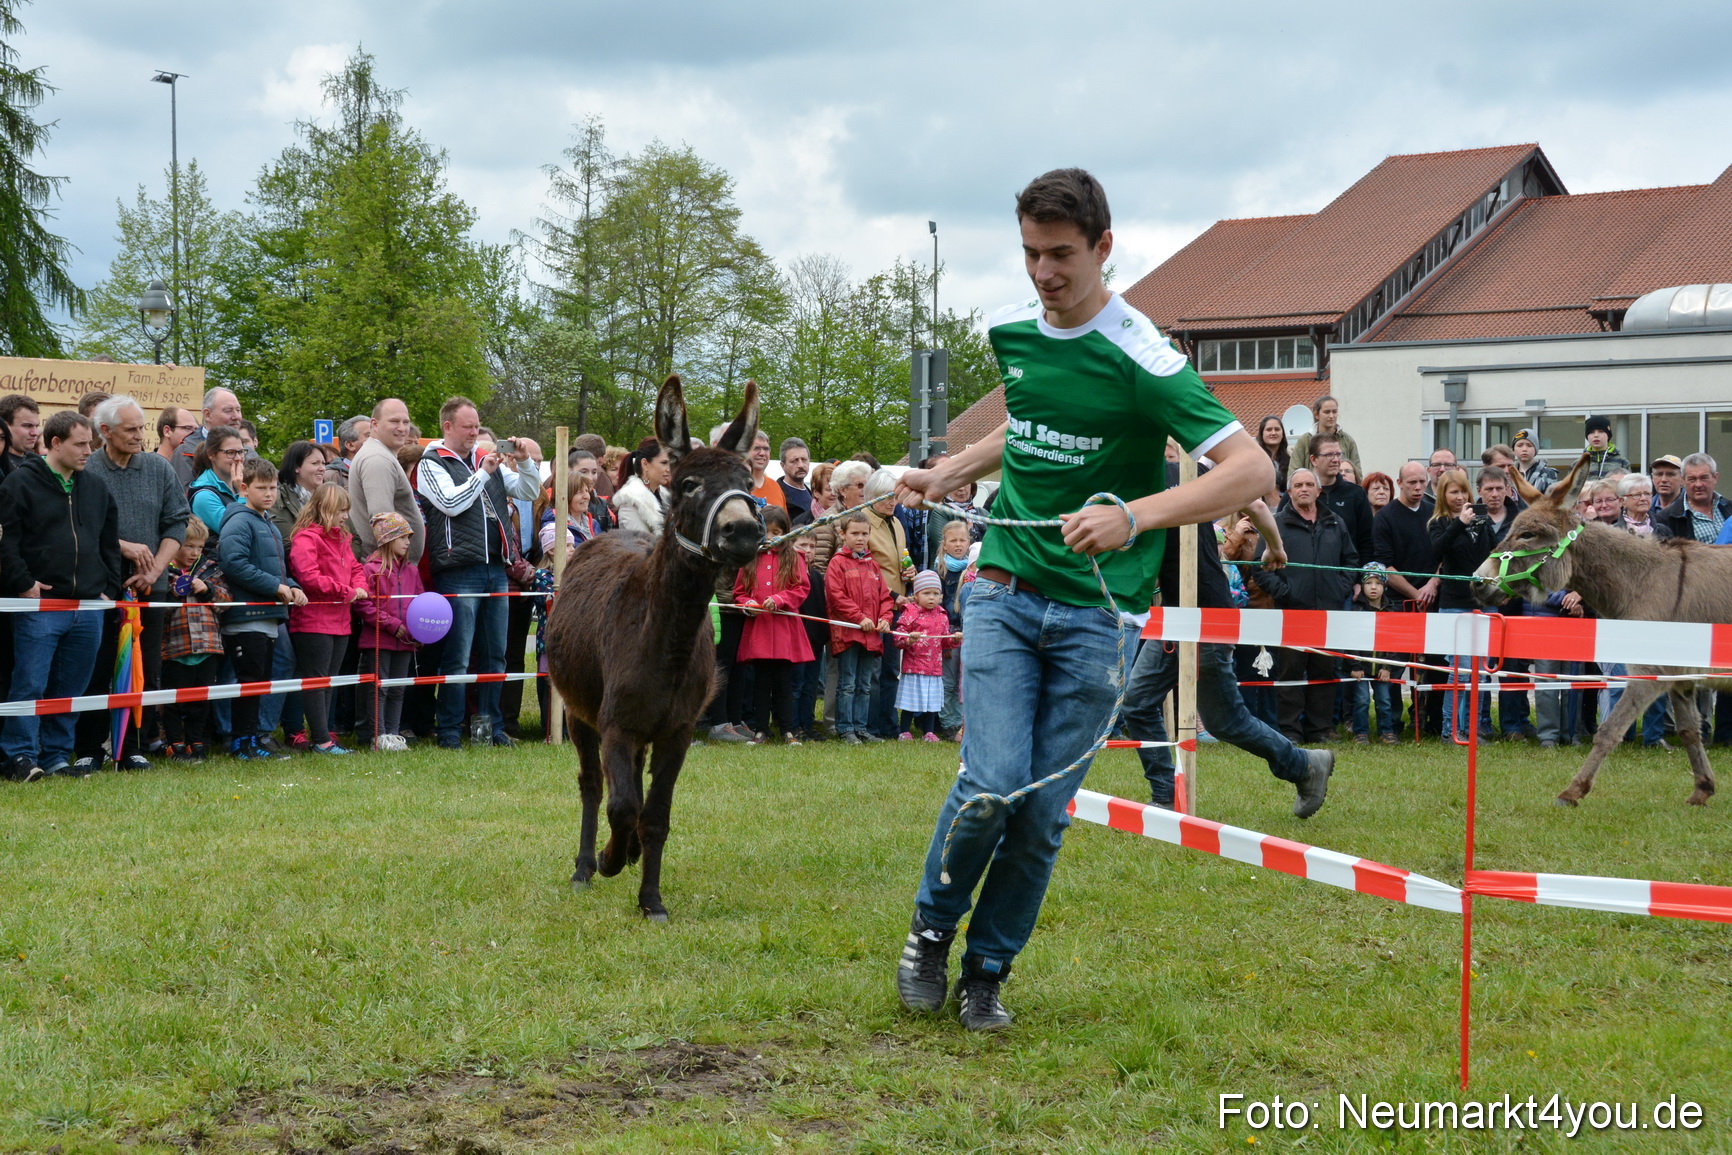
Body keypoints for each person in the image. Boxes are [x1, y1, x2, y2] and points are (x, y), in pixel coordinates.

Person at [892, 167, 1267, 1031]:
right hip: (1002, 591)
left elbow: (1252, 470)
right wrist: (953, 467)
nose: (1043, 273)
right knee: (990, 782)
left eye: (1061, 255)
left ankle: (988, 971)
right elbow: (1028, 420)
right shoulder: (1018, 335)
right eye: (1030, 253)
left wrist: (1135, 516)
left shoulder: (1143, 356)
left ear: (1103, 247)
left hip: (1099, 617)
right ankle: (931, 931)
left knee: (1044, 808)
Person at [0, 412, 123, 781]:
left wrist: (109, 589)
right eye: (81, 444)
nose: (90, 450)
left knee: (71, 688)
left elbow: (109, 543)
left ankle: (55, 756)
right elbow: (7, 541)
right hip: (39, 606)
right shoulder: (19, 485)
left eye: (90, 443)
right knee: (30, 683)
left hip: (88, 607)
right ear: (55, 443)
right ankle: (19, 756)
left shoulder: (96, 488)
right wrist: (24, 584)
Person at [74, 396, 190, 773]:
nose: (140, 435)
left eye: (142, 427)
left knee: (143, 670)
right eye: (131, 429)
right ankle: (90, 749)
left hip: (149, 588)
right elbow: (77, 524)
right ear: (104, 431)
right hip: (100, 587)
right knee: (97, 668)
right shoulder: (87, 468)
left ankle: (132, 748)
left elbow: (177, 522)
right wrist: (121, 545)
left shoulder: (158, 468)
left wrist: (156, 569)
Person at [417, 396, 539, 749]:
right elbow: (451, 503)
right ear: (448, 427)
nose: (474, 432)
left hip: (496, 567)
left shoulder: (488, 462)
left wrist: (525, 460)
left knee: (495, 655)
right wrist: (483, 473)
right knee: (457, 656)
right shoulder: (431, 463)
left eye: (477, 425)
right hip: (459, 569)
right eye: (468, 427)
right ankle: (451, 731)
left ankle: (490, 729)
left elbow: (530, 491)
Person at [1249, 468, 1357, 744]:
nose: (1304, 489)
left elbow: (1351, 562)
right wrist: (1286, 593)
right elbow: (1259, 570)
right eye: (1298, 485)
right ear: (1290, 491)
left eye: (1310, 484)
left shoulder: (1335, 522)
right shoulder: (1276, 525)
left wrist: (1339, 590)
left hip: (1328, 612)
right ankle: (1290, 731)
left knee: (1325, 671)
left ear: (1319, 491)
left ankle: (1319, 730)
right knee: (1290, 673)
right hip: (1291, 612)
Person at [287, 483, 369, 755]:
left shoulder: (342, 537)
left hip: (340, 620)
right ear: (324, 509)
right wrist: (347, 591)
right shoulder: (305, 538)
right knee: (317, 681)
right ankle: (321, 740)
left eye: (346, 510)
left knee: (330, 681)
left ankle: (323, 734)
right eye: (339, 511)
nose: (344, 516)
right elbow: (308, 576)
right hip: (313, 620)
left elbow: (356, 567)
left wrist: (360, 587)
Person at [734, 505, 814, 745]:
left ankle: (788, 729)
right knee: (760, 681)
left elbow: (802, 588)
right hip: (759, 628)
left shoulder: (794, 556)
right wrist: (748, 602)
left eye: (778, 531)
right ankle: (761, 729)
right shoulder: (750, 557)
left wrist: (780, 600)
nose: (772, 537)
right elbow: (739, 592)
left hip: (783, 628)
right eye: (767, 532)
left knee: (784, 681)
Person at [1428, 468, 1497, 741]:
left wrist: (1484, 525)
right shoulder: (1439, 523)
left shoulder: (1482, 521)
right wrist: (1460, 523)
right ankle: (1450, 729)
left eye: (1463, 491)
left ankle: (1472, 728)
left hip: (1483, 603)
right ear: (1443, 495)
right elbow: (1436, 550)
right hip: (1455, 605)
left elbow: (1495, 552)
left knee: (1479, 673)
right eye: (1453, 492)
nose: (1459, 497)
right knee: (1459, 671)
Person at [160, 518, 228, 762]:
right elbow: (157, 610)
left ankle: (196, 742)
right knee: (174, 699)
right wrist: (173, 591)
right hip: (175, 647)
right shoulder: (163, 571)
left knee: (200, 699)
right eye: (189, 546)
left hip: (208, 646)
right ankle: (174, 743)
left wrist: (207, 590)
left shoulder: (210, 569)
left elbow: (226, 602)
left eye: (199, 547)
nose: (194, 552)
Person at [354, 512, 422, 752]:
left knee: (398, 688)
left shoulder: (412, 571)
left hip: (405, 641)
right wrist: (393, 624)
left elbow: (421, 603)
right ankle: (378, 735)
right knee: (378, 689)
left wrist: (419, 630)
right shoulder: (370, 570)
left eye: (409, 537)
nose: (408, 542)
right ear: (387, 539)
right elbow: (363, 605)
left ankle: (393, 734)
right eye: (403, 537)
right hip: (378, 641)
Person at [825, 512, 891, 746]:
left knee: (865, 684)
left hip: (871, 635)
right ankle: (845, 729)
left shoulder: (873, 565)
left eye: (864, 533)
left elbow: (885, 596)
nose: (860, 538)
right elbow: (836, 597)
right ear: (843, 534)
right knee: (848, 684)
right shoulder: (837, 563)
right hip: (848, 634)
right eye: (854, 533)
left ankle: (861, 728)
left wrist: (885, 617)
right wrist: (859, 617)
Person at [864, 468, 914, 738]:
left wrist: (910, 572)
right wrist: (893, 594)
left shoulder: (895, 522)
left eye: (894, 496)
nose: (892, 501)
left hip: (897, 604)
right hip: (875, 606)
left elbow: (899, 558)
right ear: (871, 496)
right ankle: (870, 725)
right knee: (873, 669)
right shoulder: (865, 523)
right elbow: (869, 569)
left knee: (891, 670)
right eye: (886, 496)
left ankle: (888, 725)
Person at [348, 398, 426, 564]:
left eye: (406, 422)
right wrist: (393, 568)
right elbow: (382, 518)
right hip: (387, 571)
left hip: (391, 568)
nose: (402, 428)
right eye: (394, 421)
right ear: (374, 424)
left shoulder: (381, 454)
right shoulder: (378, 459)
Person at [895, 571, 957, 742]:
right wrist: (909, 639)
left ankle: (929, 732)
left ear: (941, 596)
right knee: (910, 701)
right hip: (914, 666)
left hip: (934, 669)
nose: (931, 598)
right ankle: (904, 730)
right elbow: (898, 637)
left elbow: (945, 642)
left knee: (932, 703)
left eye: (935, 594)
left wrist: (955, 639)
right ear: (916, 595)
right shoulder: (910, 612)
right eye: (926, 593)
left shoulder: (942, 615)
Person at [1346, 563, 1401, 744]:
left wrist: (1387, 667)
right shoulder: (1356, 611)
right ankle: (1360, 733)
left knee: (1384, 701)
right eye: (1369, 583)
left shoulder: (1392, 612)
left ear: (1384, 586)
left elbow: (1394, 642)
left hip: (1382, 669)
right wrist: (1355, 666)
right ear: (1361, 585)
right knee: (1361, 700)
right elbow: (1350, 641)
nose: (1373, 587)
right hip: (1361, 667)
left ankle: (1386, 731)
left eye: (1378, 583)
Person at [1305, 431, 1373, 571]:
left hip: (1348, 581)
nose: (1336, 460)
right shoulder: (1297, 495)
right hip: (1305, 581)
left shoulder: (1356, 494)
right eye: (1329, 455)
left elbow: (1366, 541)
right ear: (1313, 459)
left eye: (1338, 454)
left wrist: (1360, 581)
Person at [935, 519, 972, 738]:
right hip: (948, 631)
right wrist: (944, 636)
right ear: (945, 544)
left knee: (962, 682)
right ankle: (946, 722)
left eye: (962, 540)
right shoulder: (940, 570)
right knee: (947, 681)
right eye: (953, 540)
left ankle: (959, 723)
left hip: (965, 631)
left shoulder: (972, 570)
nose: (958, 545)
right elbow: (937, 606)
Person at [791, 535, 828, 741]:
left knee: (811, 685)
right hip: (797, 640)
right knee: (797, 684)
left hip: (815, 639)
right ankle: (794, 726)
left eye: (812, 546)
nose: (808, 550)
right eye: (803, 545)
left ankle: (808, 723)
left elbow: (821, 608)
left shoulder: (816, 576)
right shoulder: (790, 575)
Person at [811, 460, 870, 575]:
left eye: (867, 485)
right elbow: (819, 567)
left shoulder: (867, 516)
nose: (865, 490)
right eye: (860, 485)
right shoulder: (826, 521)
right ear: (843, 490)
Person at [1658, 453, 1732, 544]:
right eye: (1692, 479)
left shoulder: (1730, 507)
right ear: (1683, 480)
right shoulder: (1666, 519)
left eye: (1704, 478)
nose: (1698, 484)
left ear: (1715, 478)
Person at [188, 427, 247, 538]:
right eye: (230, 453)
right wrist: (243, 494)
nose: (238, 458)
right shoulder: (204, 496)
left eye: (241, 452)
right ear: (211, 454)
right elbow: (237, 531)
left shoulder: (238, 485)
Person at [1290, 395, 1361, 480]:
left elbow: (1357, 473)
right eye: (1327, 412)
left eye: (1334, 412)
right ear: (1316, 414)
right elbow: (1293, 473)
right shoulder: (1304, 441)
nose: (1331, 416)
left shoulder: (1347, 440)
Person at [179, 386, 243, 481]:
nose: (236, 416)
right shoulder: (187, 452)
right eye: (228, 410)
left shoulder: (249, 453)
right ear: (207, 414)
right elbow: (184, 494)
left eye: (238, 410)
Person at [613, 437, 671, 536]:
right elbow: (644, 545)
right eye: (664, 463)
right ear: (645, 464)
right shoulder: (630, 501)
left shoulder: (665, 496)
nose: (669, 469)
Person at [273, 441, 327, 541]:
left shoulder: (330, 496)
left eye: (324, 463)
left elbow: (354, 538)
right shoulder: (278, 498)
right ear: (296, 467)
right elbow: (288, 541)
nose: (322, 468)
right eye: (315, 463)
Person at [156, 406, 199, 485]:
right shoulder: (150, 467)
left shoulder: (195, 467)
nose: (194, 434)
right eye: (187, 428)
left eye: (196, 430)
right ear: (167, 431)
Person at [1618, 473, 1668, 539]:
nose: (1643, 498)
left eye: (1647, 494)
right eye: (1637, 495)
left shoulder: (1663, 530)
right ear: (1622, 501)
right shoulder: (1613, 532)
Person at [328, 415, 371, 488]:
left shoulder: (381, 470)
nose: (376, 440)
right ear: (350, 445)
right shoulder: (331, 476)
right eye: (369, 436)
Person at [745, 429, 785, 511]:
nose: (762, 453)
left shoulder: (775, 487)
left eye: (766, 449)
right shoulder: (737, 487)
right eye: (756, 448)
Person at [1581, 415, 1629, 480]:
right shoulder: (1579, 464)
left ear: (1608, 435)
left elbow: (1628, 487)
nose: (1596, 435)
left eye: (1601, 431)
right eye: (1591, 432)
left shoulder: (1622, 462)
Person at [777, 437, 813, 518]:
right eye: (794, 461)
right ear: (783, 466)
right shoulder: (776, 495)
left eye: (804, 459)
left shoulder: (815, 496)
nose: (801, 465)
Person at [572, 433, 615, 500]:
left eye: (594, 472)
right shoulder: (600, 474)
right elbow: (608, 504)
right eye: (584, 471)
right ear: (601, 459)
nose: (590, 477)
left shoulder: (556, 475)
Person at [0, 394, 40, 465]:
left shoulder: (39, 463)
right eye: (27, 426)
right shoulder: (3, 467)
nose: (35, 433)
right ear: (5, 427)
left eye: (36, 426)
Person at [1255, 415, 1289, 496]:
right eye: (1269, 430)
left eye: (1277, 429)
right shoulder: (1255, 459)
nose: (1273, 433)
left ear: (1282, 434)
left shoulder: (1290, 459)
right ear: (1262, 434)